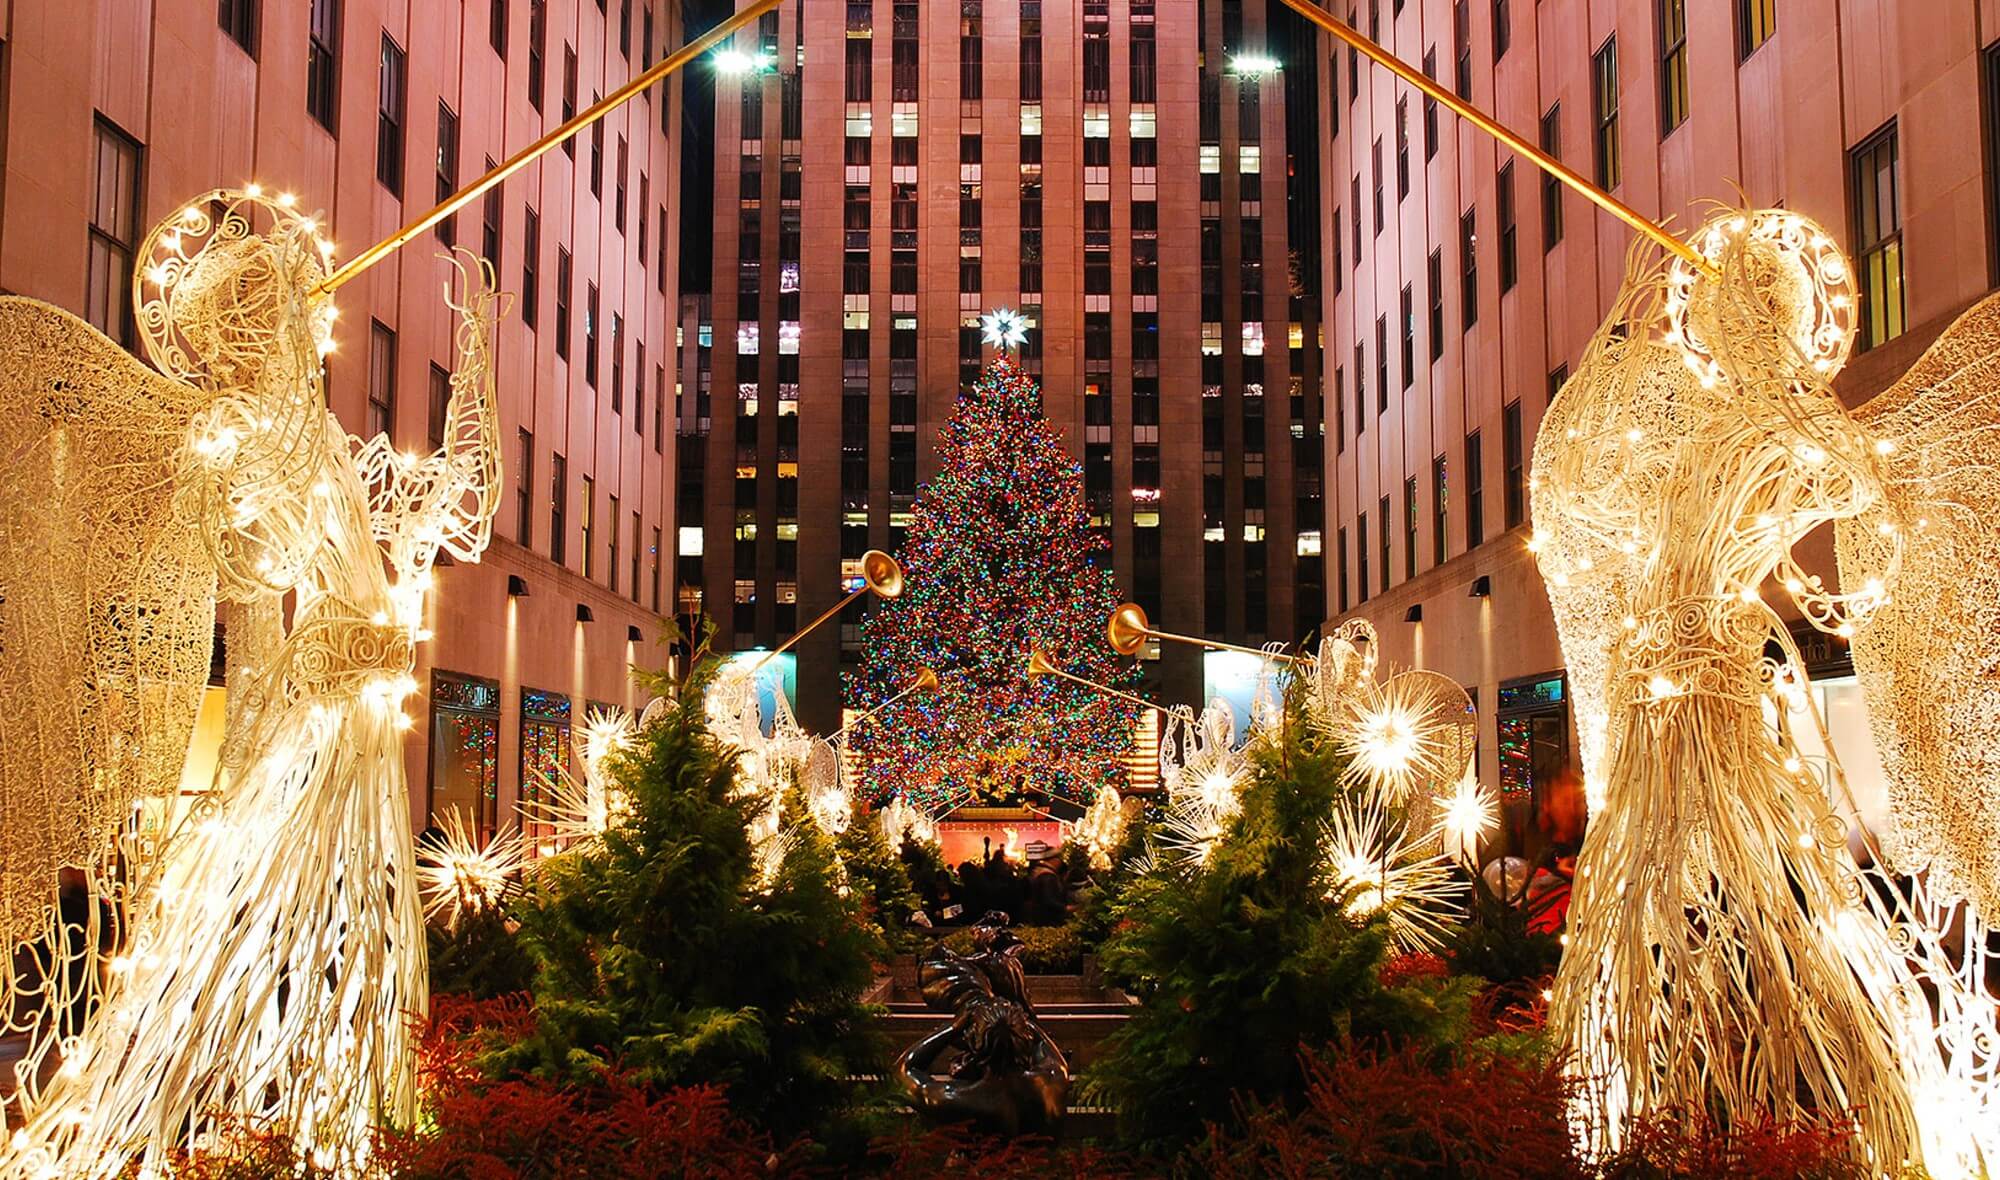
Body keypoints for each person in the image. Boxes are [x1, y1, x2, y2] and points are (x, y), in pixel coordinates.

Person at [1023, 841, 1066, 925]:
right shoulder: (1047, 876)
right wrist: (1065, 908)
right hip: (1048, 920)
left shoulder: (1038, 872)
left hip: (1038, 918)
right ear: (1054, 859)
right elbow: (1049, 900)